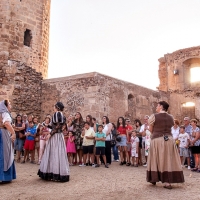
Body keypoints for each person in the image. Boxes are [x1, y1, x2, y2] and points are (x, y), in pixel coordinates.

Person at [147, 101, 184, 189]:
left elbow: (151, 129)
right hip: (169, 140)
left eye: (157, 105)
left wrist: (155, 133)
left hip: (157, 139)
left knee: (155, 158)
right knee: (167, 159)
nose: (156, 107)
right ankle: (167, 182)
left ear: (161, 106)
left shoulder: (154, 116)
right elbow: (170, 127)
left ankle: (154, 178)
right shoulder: (171, 117)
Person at [38, 102, 70, 182]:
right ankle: (58, 172)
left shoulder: (57, 114)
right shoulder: (62, 115)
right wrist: (46, 126)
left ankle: (53, 172)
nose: (53, 107)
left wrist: (50, 134)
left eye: (54, 106)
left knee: (54, 153)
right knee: (58, 153)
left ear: (57, 107)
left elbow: (58, 126)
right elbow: (55, 126)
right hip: (59, 136)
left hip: (55, 136)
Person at [0, 100, 16, 183]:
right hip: (3, 134)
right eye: (9, 104)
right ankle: (4, 177)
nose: (10, 105)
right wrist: (13, 133)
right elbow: (6, 123)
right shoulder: (5, 113)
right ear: (5, 106)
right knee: (5, 154)